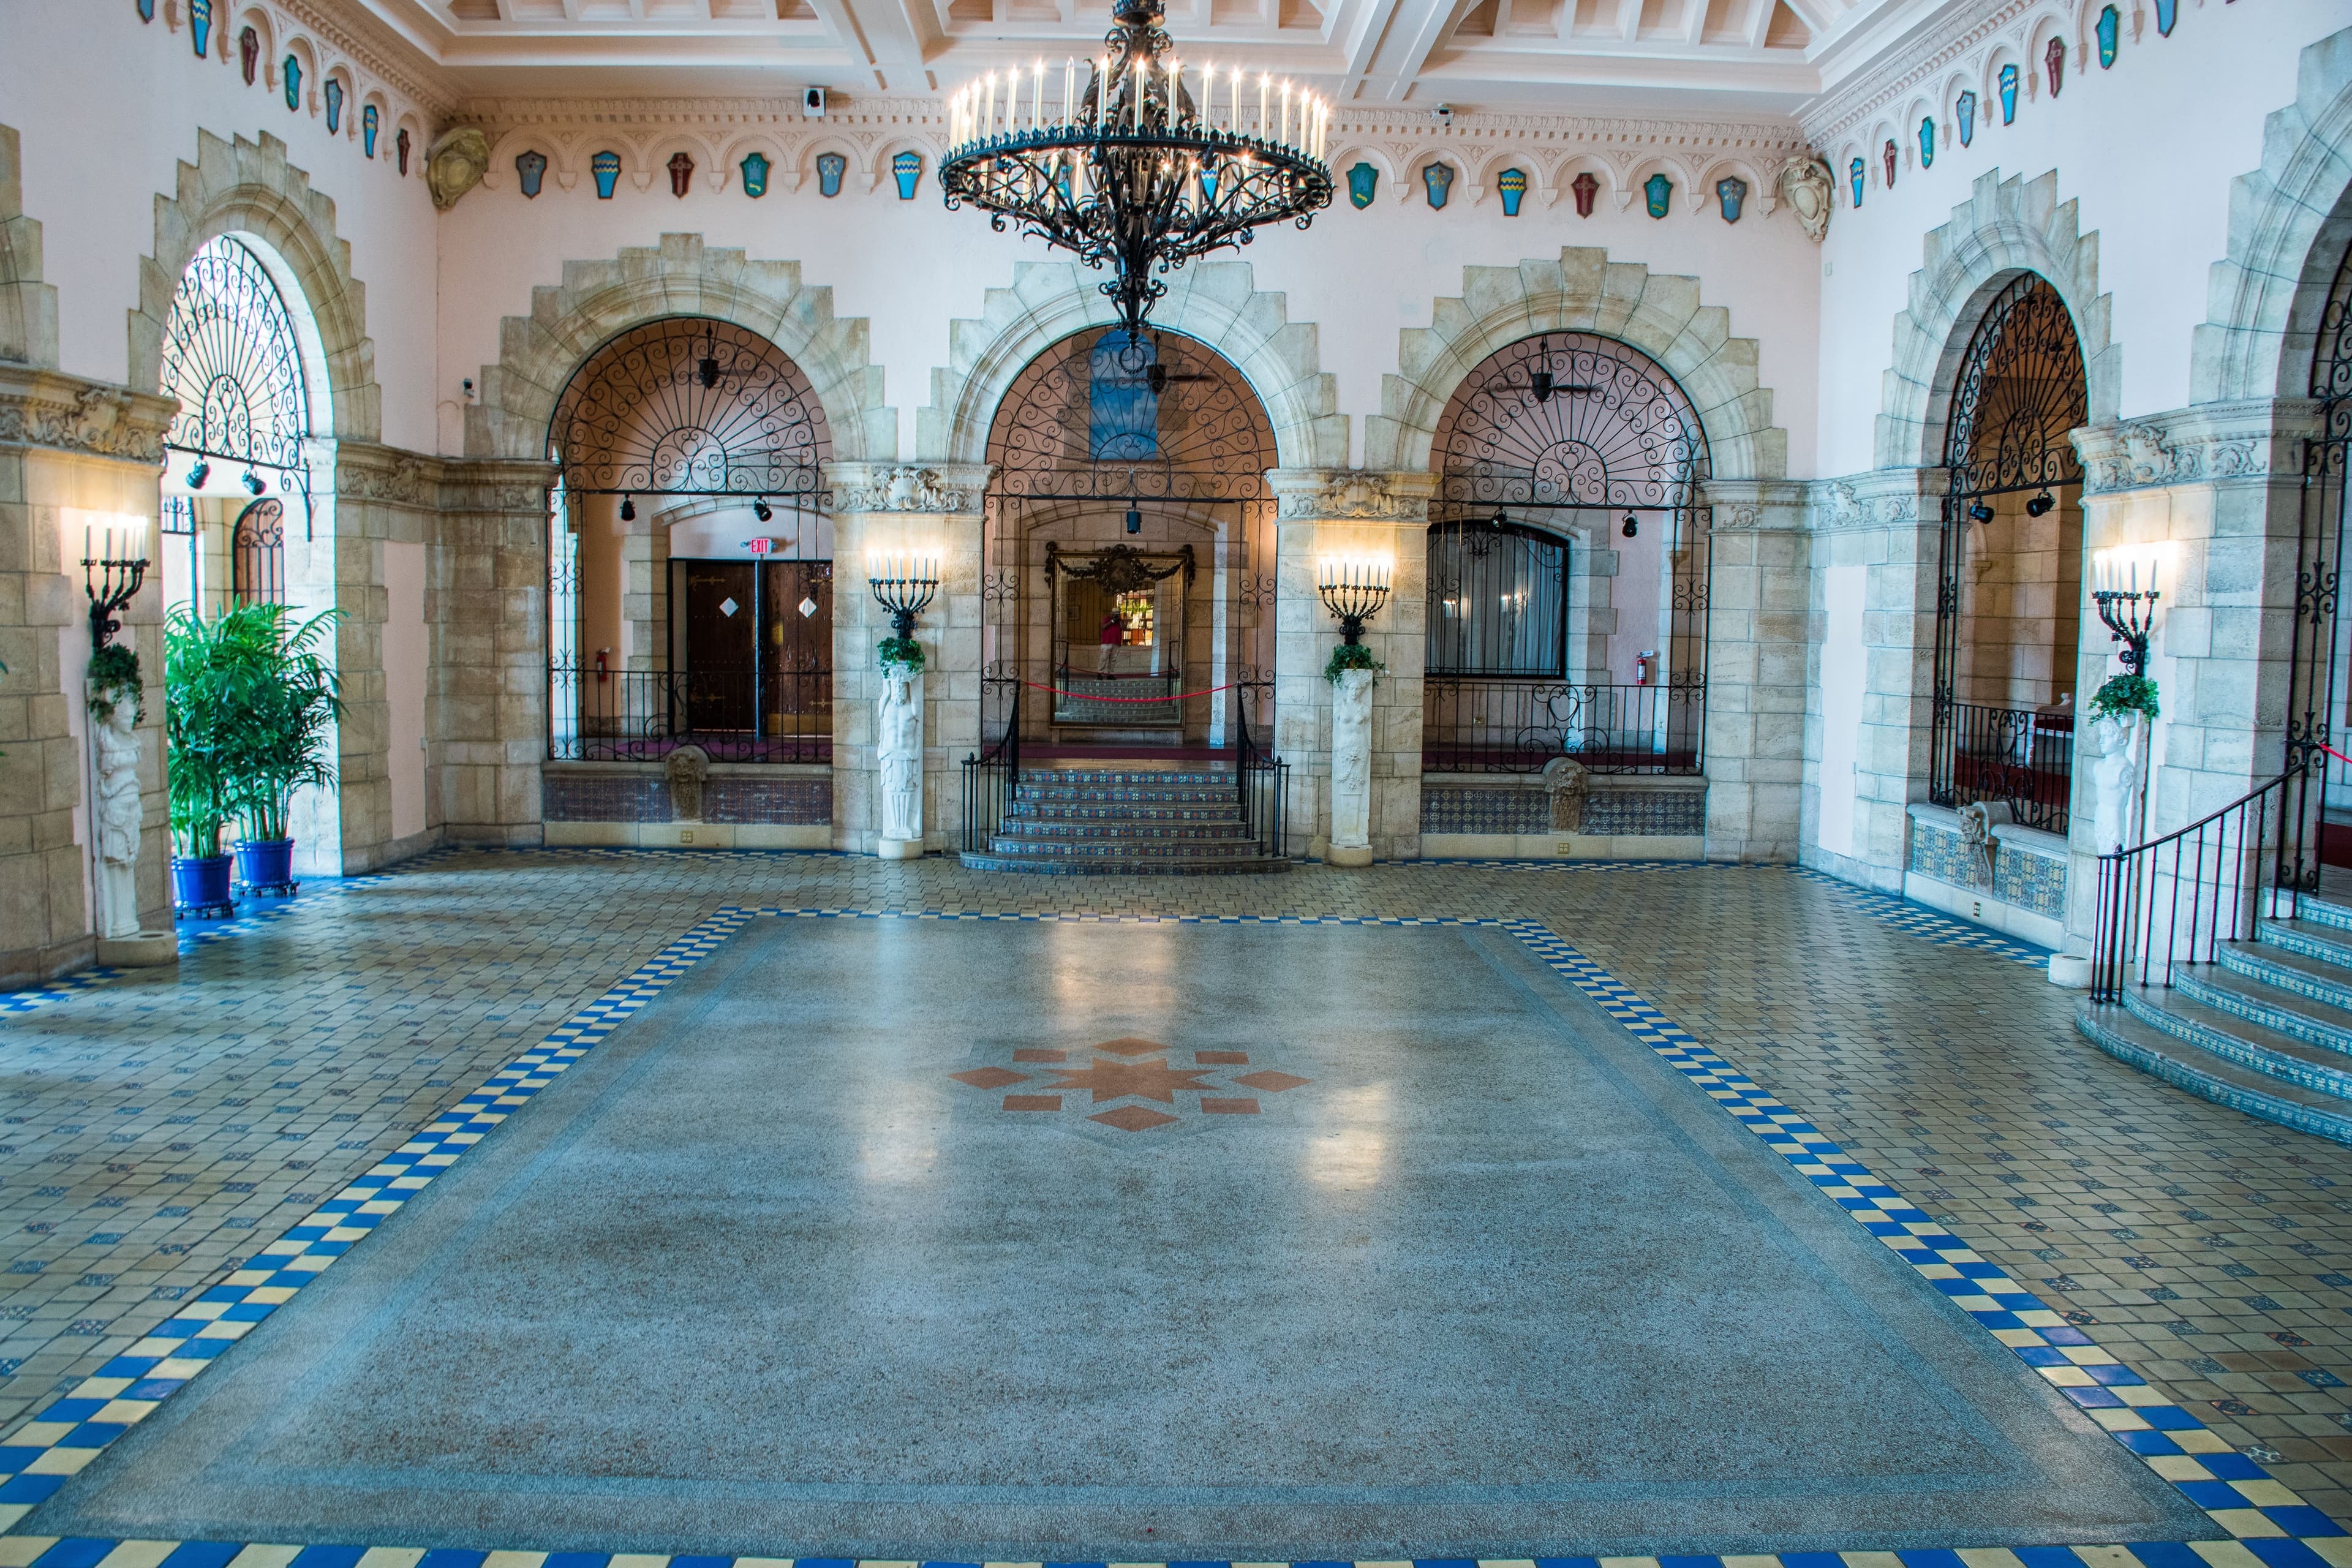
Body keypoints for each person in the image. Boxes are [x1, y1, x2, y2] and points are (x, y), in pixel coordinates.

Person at [1098, 607, 1123, 674]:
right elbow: (1104, 627)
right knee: (1104, 658)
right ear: (1112, 614)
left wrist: (1120, 620)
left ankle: (1110, 673)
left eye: (1117, 614)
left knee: (1113, 660)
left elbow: (1123, 628)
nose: (1116, 615)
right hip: (1107, 642)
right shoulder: (1107, 619)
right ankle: (1100, 673)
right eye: (1115, 614)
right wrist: (1113, 621)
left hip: (1116, 643)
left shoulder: (1120, 621)